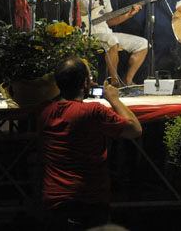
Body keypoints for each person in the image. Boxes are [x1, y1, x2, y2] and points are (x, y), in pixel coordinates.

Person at [38, 56, 141, 229]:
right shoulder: (92, 111)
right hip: (89, 200)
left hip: (53, 200)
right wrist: (113, 99)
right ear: (85, 83)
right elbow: (135, 129)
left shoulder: (45, 112)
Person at [76, 0, 148, 85]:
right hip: (87, 34)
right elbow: (75, 16)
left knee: (143, 43)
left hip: (105, 33)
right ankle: (115, 81)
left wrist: (128, 15)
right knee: (112, 40)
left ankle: (128, 80)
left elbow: (109, 20)